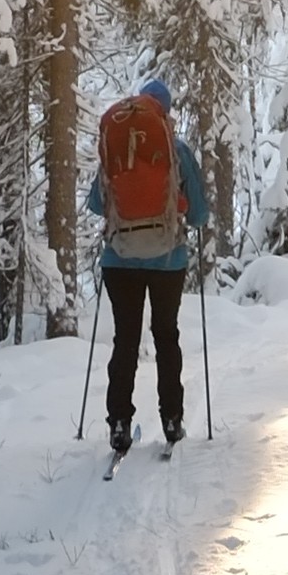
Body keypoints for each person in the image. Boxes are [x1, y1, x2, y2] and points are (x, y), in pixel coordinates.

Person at [86, 75, 206, 449]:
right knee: (166, 336)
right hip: (168, 259)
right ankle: (172, 420)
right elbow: (200, 214)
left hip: (119, 259)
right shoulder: (178, 151)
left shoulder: (118, 152)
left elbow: (95, 203)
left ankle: (119, 423)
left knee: (126, 340)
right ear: (165, 115)